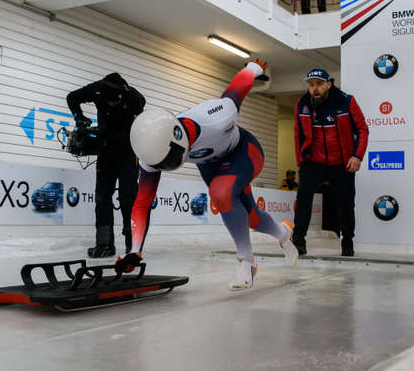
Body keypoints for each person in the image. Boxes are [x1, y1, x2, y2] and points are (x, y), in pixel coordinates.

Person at [119, 59, 299, 291]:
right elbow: (142, 202)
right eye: (160, 165)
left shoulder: (216, 116)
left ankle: (246, 261)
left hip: (243, 150)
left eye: (169, 163)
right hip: (212, 164)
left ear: (178, 139)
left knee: (220, 193)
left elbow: (235, 91)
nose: (166, 167)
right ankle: (284, 233)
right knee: (251, 217)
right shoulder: (150, 154)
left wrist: (252, 69)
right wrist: (135, 251)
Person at [66, 73, 145, 258]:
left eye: (115, 102)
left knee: (128, 196)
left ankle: (132, 243)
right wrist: (79, 117)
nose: (111, 104)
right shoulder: (96, 89)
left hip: (128, 150)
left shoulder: (135, 99)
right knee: (102, 196)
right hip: (106, 149)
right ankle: (104, 243)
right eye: (108, 101)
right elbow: (72, 98)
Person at [292, 70, 368, 257]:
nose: (314, 88)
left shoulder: (346, 101)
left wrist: (357, 156)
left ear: (329, 84)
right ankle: (298, 240)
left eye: (319, 84)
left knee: (346, 204)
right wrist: (300, 161)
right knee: (303, 200)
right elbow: (297, 134)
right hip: (313, 161)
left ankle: (347, 241)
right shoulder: (302, 104)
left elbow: (362, 129)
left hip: (341, 162)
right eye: (311, 84)